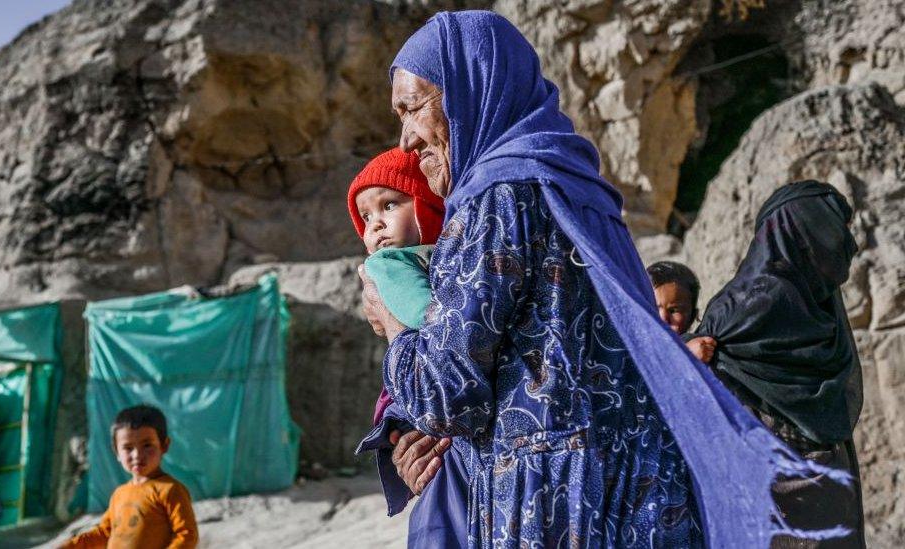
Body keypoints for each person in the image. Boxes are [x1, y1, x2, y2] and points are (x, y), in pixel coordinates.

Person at [358, 11, 854, 548]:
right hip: (641, 495)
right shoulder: (577, 187)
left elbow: (446, 394)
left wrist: (395, 327)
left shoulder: (495, 198)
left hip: (553, 502)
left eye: (412, 109)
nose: (406, 140)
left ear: (469, 88)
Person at [687, 181, 866, 548]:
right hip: (770, 493)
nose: (850, 243)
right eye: (838, 227)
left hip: (829, 489)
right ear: (807, 229)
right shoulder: (741, 309)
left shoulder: (821, 304)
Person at [347, 147, 470, 547]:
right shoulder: (391, 263)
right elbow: (425, 319)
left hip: (429, 396)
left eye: (390, 205)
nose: (376, 224)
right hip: (412, 397)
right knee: (441, 495)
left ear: (425, 205)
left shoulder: (439, 252)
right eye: (366, 217)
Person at [62, 405, 198, 549]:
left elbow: (187, 534)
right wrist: (69, 546)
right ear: (117, 453)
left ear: (164, 445)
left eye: (147, 445)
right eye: (128, 448)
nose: (137, 455)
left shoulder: (169, 490)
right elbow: (104, 533)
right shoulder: (119, 494)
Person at [647, 261, 716, 363]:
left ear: (693, 316)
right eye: (654, 308)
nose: (663, 319)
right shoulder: (628, 346)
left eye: (673, 310)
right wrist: (685, 357)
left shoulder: (700, 347)